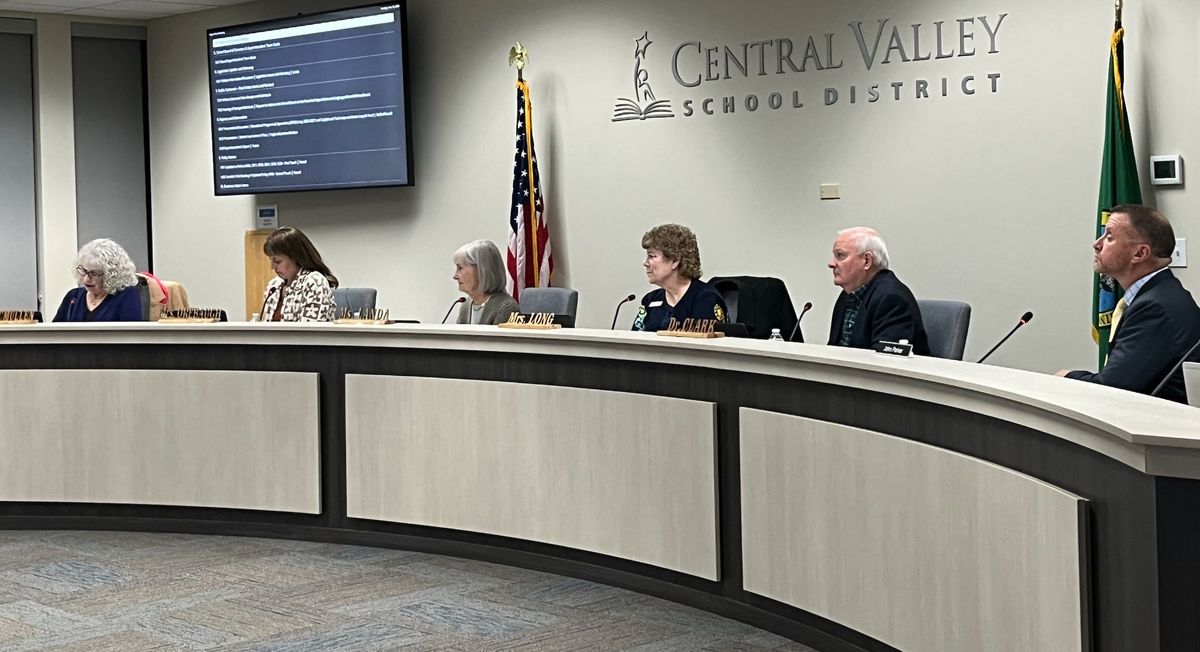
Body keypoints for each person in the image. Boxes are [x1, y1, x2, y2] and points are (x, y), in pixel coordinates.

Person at [1058, 205, 1200, 402]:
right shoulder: (1159, 294)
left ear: (1140, 254)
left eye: (1109, 237)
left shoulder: (1155, 306)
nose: (1096, 244)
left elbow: (1113, 390)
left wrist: (1066, 378)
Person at [826, 227, 930, 354]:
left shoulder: (891, 298)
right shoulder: (847, 295)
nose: (831, 263)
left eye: (840, 255)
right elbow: (833, 350)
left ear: (867, 261)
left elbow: (886, 361)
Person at [632, 224, 727, 332]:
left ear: (674, 261)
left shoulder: (706, 299)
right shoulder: (650, 300)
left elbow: (704, 345)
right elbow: (635, 341)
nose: (645, 263)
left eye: (651, 256)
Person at [53, 238, 143, 322]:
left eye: (94, 273)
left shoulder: (127, 295)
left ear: (111, 275)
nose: (86, 279)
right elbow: (53, 334)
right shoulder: (73, 297)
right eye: (84, 271)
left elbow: (130, 335)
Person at [261, 226, 338, 322]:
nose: (272, 267)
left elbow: (310, 332)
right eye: (271, 260)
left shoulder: (314, 282)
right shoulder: (273, 286)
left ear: (296, 257)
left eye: (278, 261)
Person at [453, 240, 520, 325]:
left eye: (460, 268)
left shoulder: (506, 308)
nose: (455, 276)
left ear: (481, 270)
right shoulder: (466, 304)